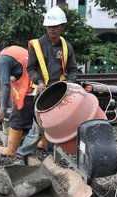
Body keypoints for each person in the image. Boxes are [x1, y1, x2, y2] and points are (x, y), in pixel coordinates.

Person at [16, 6, 79, 163]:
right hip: (43, 92)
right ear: (46, 27)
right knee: (38, 128)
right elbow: (30, 68)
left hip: (61, 93)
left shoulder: (66, 47)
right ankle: (21, 155)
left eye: (55, 27)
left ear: (62, 27)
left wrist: (70, 83)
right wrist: (39, 81)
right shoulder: (37, 45)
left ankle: (52, 155)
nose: (52, 30)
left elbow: (73, 69)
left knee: (57, 125)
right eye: (49, 27)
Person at [0, 44, 36, 156]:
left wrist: (2, 110)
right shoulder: (11, 49)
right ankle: (44, 144)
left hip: (29, 89)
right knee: (38, 119)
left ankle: (11, 150)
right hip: (39, 85)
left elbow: (5, 85)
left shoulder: (2, 59)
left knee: (16, 119)